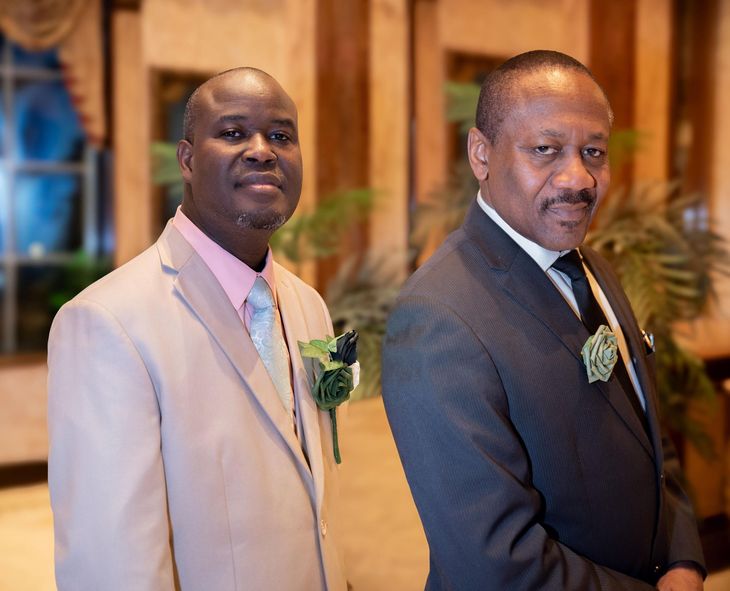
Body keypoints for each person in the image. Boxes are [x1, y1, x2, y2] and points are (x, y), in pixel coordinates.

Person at [382, 50, 705, 591]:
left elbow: (647, 433)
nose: (579, 178)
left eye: (593, 152)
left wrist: (683, 559)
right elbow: (493, 564)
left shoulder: (594, 268)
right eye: (545, 149)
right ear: (481, 154)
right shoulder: (437, 316)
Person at [48, 68, 347, 591]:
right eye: (233, 133)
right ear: (186, 160)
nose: (262, 151)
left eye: (281, 135)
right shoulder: (108, 322)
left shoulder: (309, 306)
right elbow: (112, 564)